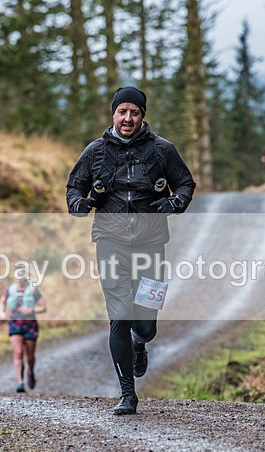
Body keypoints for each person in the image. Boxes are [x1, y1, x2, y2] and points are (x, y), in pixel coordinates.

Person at [65, 86, 196, 415]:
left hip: (151, 244)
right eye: (122, 112)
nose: (127, 118)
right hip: (110, 242)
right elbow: (74, 187)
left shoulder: (162, 149)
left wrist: (174, 203)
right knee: (120, 316)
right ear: (113, 114)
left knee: (146, 326)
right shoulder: (95, 151)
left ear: (142, 116)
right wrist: (79, 203)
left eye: (134, 113)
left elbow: (185, 183)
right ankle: (127, 393)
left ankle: (140, 343)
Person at [0, 268, 47, 393]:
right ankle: (20, 382)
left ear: (26, 276)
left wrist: (32, 310)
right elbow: (1, 303)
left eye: (22, 275)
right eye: (17, 275)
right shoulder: (9, 290)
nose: (19, 277)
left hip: (30, 325)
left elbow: (43, 307)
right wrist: (2, 313)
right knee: (18, 352)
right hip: (15, 323)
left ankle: (30, 371)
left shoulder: (33, 290)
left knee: (30, 355)